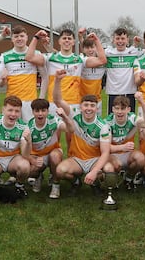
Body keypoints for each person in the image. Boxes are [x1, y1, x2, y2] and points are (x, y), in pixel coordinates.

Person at [49, 70, 114, 199]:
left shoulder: (103, 126)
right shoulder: (74, 115)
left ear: (97, 108)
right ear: (80, 107)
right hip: (77, 160)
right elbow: (57, 100)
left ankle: (95, 183)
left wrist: (94, 171)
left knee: (109, 169)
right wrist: (57, 80)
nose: (89, 108)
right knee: (60, 170)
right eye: (86, 105)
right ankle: (76, 182)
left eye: (92, 105)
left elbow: (106, 152)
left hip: (94, 160)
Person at [26, 29, 106, 117]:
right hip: (54, 103)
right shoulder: (50, 58)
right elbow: (29, 57)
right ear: (59, 41)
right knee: (55, 130)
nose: (67, 40)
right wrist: (36, 37)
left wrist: (96, 40)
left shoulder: (80, 59)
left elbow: (102, 60)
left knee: (72, 130)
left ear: (73, 42)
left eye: (69, 38)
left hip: (74, 103)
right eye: (64, 38)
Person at [2, 26, 45, 121]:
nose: (19, 39)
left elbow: (45, 77)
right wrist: (2, 79)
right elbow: (1, 84)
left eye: (22, 36)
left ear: (27, 37)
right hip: (11, 101)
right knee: (10, 131)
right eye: (16, 36)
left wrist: (41, 98)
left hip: (30, 101)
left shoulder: (36, 53)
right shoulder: (4, 56)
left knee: (29, 132)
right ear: (12, 39)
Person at [104, 96, 145, 191]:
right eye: (117, 108)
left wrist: (142, 102)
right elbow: (105, 148)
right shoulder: (107, 122)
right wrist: (122, 147)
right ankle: (114, 178)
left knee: (140, 159)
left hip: (128, 153)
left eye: (123, 109)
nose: (120, 112)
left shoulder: (132, 118)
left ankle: (129, 178)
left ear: (128, 109)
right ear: (113, 109)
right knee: (117, 165)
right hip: (113, 154)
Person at [25, 99, 65, 193]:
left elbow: (70, 129)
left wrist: (65, 117)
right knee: (28, 170)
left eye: (43, 110)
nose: (40, 114)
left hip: (53, 151)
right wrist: (33, 160)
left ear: (47, 111)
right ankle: (38, 176)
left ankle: (55, 184)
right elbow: (24, 152)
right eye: (37, 111)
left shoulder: (53, 120)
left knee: (54, 156)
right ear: (33, 112)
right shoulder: (28, 127)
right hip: (38, 155)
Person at [104, 28, 143, 112]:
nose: (120, 41)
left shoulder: (134, 52)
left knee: (130, 120)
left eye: (123, 38)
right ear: (113, 40)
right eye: (117, 38)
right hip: (113, 92)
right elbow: (90, 52)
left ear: (127, 40)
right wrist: (81, 39)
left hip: (129, 92)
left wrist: (137, 43)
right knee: (112, 120)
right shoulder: (108, 52)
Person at [79, 36, 106, 115]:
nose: (90, 50)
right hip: (82, 100)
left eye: (92, 47)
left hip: (97, 100)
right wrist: (80, 38)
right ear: (83, 49)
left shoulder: (103, 63)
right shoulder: (81, 61)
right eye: (87, 48)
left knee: (96, 125)